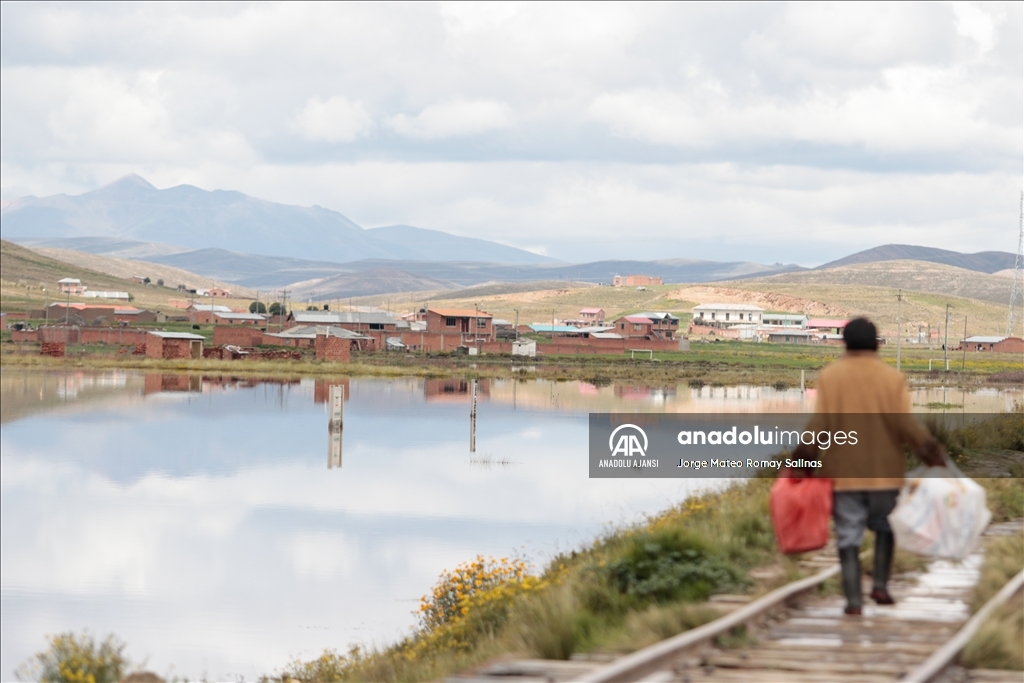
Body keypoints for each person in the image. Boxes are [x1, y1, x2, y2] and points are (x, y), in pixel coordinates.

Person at [793, 317, 942, 616]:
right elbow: (904, 424)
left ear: (844, 343)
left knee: (848, 534)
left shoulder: (830, 377)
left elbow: (821, 425)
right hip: (884, 473)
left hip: (842, 474)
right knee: (886, 527)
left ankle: (853, 601)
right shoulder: (892, 378)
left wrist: (803, 460)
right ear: (876, 344)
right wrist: (929, 451)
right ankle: (880, 586)